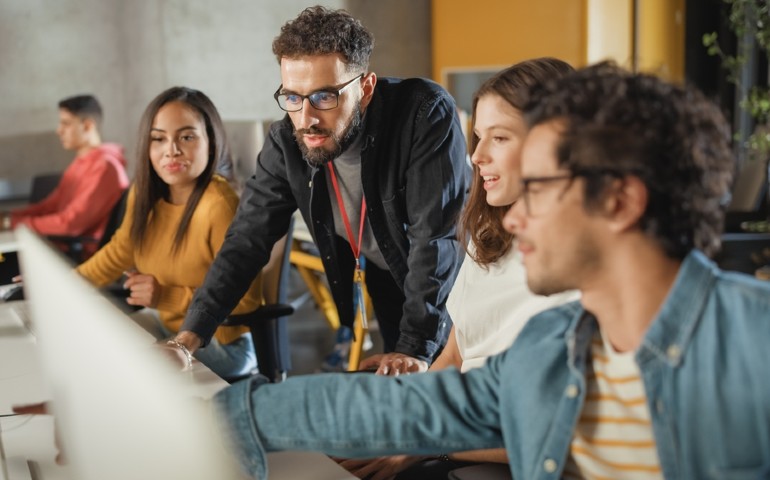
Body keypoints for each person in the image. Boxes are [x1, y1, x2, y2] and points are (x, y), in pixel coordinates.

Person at [212, 62, 770, 480]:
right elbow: (416, 408)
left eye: (540, 188)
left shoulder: (753, 344)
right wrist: (236, 414)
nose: (517, 214)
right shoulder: (552, 349)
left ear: (620, 201)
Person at [174, 6, 467, 375]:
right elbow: (247, 239)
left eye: (325, 97)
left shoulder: (423, 112)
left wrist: (415, 348)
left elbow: (435, 238)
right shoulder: (286, 140)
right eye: (292, 97)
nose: (306, 118)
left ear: (366, 88)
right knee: (410, 400)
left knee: (454, 393)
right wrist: (187, 340)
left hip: (455, 285)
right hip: (388, 277)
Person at [346, 58, 578, 480]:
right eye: (477, 137)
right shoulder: (489, 236)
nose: (476, 156)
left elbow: (553, 432)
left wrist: (424, 443)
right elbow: (455, 353)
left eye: (500, 138)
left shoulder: (581, 271)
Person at [77, 87, 263, 379]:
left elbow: (248, 299)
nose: (171, 150)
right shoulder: (145, 193)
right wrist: (65, 282)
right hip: (167, 326)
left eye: (186, 137)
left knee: (127, 369)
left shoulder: (219, 204)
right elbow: (119, 251)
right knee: (96, 346)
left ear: (211, 143)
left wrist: (166, 296)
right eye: (158, 138)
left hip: (223, 344)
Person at [1, 95, 129, 259]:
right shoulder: (80, 163)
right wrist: (9, 217)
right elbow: (49, 206)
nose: (59, 130)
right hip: (61, 247)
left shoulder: (105, 167)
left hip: (78, 258)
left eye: (66, 123)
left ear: (88, 125)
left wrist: (11, 223)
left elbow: (70, 224)